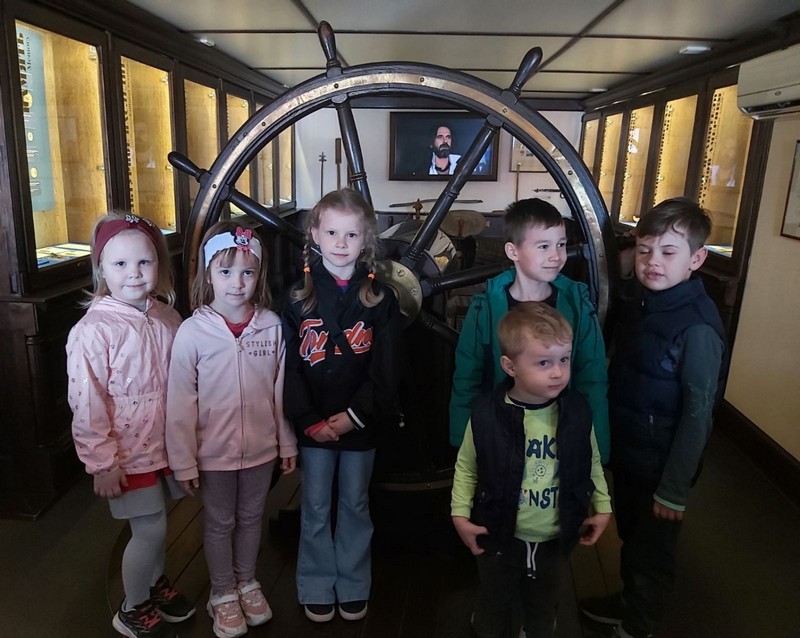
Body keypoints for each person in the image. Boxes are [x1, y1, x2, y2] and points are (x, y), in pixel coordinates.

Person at [580, 198, 726, 638]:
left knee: (653, 552)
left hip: (661, 466)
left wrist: (674, 490)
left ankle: (639, 626)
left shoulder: (696, 326)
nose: (652, 262)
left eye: (668, 252)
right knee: (633, 535)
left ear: (696, 259)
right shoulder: (647, 303)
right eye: (645, 250)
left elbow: (698, 414)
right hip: (634, 452)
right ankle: (629, 602)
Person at [166, 222, 298, 638]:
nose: (237, 283)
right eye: (225, 272)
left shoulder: (272, 326)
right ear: (208, 273)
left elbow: (280, 392)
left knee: (252, 517)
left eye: (247, 272)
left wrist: (286, 442)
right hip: (213, 454)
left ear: (259, 275)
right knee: (220, 522)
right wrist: (183, 461)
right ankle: (222, 592)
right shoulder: (192, 332)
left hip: (261, 450)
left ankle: (247, 582)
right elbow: (180, 402)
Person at [66, 211, 194, 638]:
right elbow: (87, 403)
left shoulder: (168, 318)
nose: (134, 273)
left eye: (144, 262)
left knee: (158, 524)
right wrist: (102, 464)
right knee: (150, 528)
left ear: (159, 265)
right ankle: (132, 606)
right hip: (126, 455)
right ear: (101, 268)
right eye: (120, 263)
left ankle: (153, 584)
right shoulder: (93, 331)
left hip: (164, 446)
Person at [451, 302, 612, 638]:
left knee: (544, 603)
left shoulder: (577, 411)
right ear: (510, 366)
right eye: (543, 362)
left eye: (564, 360)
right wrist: (460, 515)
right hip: (499, 534)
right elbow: (467, 467)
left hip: (556, 536)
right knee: (494, 600)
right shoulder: (485, 415)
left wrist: (602, 505)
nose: (558, 372)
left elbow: (591, 460)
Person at [282, 188, 400, 623]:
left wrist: (354, 417)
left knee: (354, 504)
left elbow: (387, 368)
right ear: (315, 233)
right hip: (314, 425)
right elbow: (289, 367)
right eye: (332, 232)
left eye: (351, 234)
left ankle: (352, 583)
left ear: (365, 238)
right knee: (314, 507)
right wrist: (308, 419)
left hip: (359, 423)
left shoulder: (381, 300)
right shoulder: (296, 298)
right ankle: (316, 584)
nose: (341, 243)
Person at [450, 198, 610, 465]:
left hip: (560, 435)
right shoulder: (485, 308)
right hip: (499, 433)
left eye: (561, 244)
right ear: (513, 251)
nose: (556, 256)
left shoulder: (577, 306)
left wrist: (598, 453)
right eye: (544, 246)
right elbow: (467, 377)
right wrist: (462, 444)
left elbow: (592, 379)